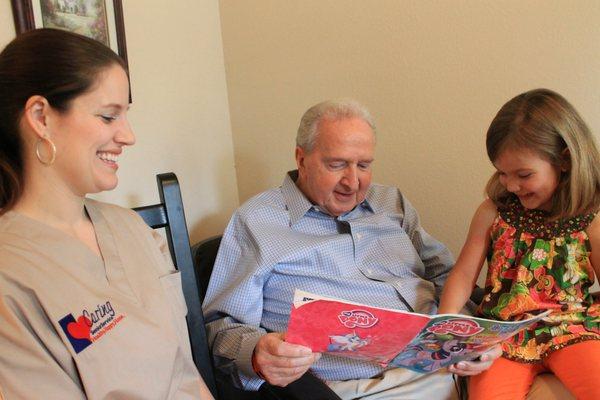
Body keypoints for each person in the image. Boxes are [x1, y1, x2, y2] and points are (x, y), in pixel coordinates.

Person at [203, 99, 500, 399]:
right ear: (301, 159)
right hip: (359, 389)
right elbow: (221, 330)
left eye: (364, 165)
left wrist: (473, 338)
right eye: (337, 164)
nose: (353, 181)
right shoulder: (257, 221)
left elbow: (447, 276)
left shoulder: (391, 203)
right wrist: (257, 352)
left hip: (447, 367)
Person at [0, 29, 213, 399]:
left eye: (125, 116)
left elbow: (185, 372)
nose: (128, 136)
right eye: (108, 116)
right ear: (40, 117)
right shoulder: (11, 275)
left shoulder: (132, 230)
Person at [438, 89, 600, 400]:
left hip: (573, 331)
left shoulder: (589, 218)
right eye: (502, 173)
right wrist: (446, 326)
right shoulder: (492, 212)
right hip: (502, 337)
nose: (511, 185)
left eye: (523, 174)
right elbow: (462, 275)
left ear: (564, 161)